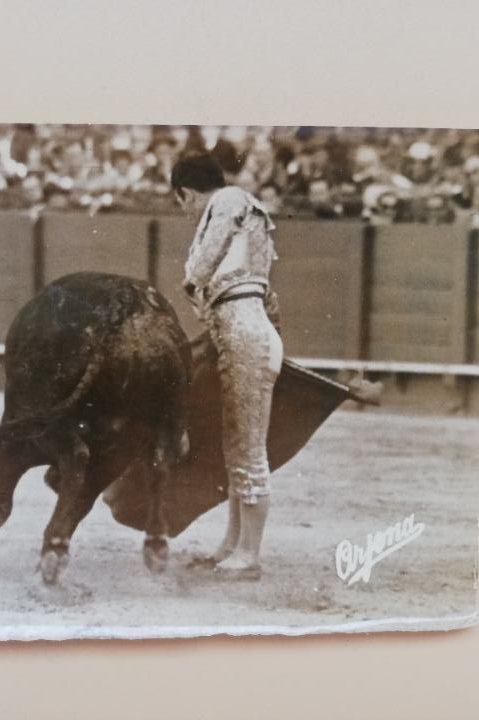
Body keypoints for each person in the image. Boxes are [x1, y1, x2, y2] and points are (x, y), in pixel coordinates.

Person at [172, 153, 283, 581]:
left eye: (182, 203)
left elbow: (205, 259)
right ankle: (233, 544)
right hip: (244, 334)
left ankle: (249, 555)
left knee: (248, 450)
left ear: (186, 194)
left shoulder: (230, 199)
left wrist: (192, 280)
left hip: (246, 337)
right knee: (236, 448)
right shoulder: (244, 216)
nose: (186, 213)